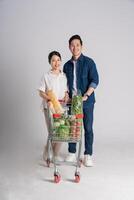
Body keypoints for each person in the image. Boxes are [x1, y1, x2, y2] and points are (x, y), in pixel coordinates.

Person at [63, 35, 99, 166]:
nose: (75, 47)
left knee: (88, 128)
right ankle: (72, 153)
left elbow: (95, 80)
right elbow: (65, 83)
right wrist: (66, 93)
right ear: (69, 47)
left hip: (87, 102)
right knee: (73, 127)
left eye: (77, 44)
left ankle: (88, 154)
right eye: (72, 45)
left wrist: (87, 95)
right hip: (72, 102)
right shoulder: (66, 65)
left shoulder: (89, 62)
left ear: (81, 46)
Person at [38, 51, 68, 162]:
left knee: (61, 130)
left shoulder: (63, 76)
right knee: (52, 131)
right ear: (50, 62)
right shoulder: (46, 76)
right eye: (53, 60)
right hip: (49, 106)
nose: (56, 62)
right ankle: (47, 151)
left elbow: (65, 91)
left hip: (61, 107)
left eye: (58, 60)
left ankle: (55, 154)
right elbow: (41, 92)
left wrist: (66, 95)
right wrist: (49, 98)